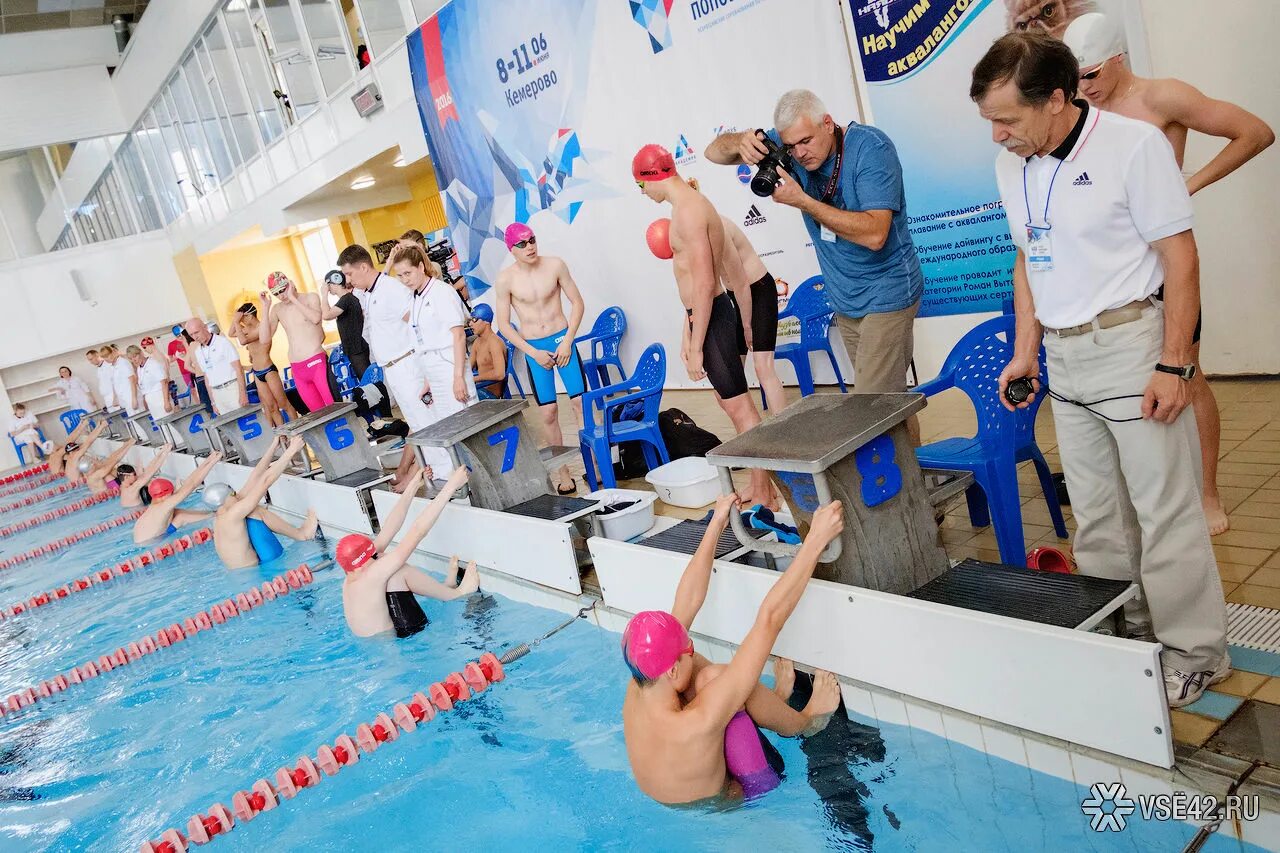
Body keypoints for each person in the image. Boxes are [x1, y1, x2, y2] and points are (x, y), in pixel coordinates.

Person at [971, 31, 1230, 706]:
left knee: (1166, 513)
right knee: (1097, 519)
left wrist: (1176, 362)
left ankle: (1195, 653)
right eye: (989, 121)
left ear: (1056, 100)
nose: (997, 135)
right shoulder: (1012, 165)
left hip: (1132, 343)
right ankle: (1127, 639)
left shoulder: (1132, 147)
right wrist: (1027, 350)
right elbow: (1029, 258)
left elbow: (1181, 259)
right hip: (1065, 356)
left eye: (1007, 119)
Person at [1062, 13, 1274, 535]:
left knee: (1187, 371)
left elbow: (1256, 131)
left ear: (1118, 58)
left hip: (1164, 260)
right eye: (1076, 78)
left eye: (1091, 74)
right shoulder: (1080, 112)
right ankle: (1149, 494)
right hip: (1114, 272)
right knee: (1133, 381)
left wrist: (1189, 185)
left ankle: (1206, 494)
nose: (1083, 87)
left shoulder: (1162, 98)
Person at [705, 90, 924, 444]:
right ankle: (913, 477)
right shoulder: (791, 142)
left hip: (889, 290)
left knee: (870, 408)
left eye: (806, 141)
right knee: (888, 400)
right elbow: (713, 152)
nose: (798, 152)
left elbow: (875, 234)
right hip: (846, 297)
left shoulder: (871, 149)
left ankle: (889, 491)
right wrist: (742, 141)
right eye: (790, 146)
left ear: (827, 124)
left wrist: (803, 201)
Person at [622, 497, 845, 805]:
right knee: (719, 677)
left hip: (680, 779)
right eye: (687, 650)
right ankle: (806, 722)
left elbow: (685, 603)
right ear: (672, 669)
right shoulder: (697, 722)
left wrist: (716, 524)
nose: (692, 648)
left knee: (711, 679)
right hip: (737, 796)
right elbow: (770, 620)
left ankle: (773, 702)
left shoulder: (640, 683)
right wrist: (815, 542)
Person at [632, 146, 777, 508]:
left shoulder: (689, 212)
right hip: (708, 319)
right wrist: (690, 331)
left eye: (640, 186)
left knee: (742, 411)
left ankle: (765, 490)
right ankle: (764, 487)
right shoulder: (690, 207)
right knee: (732, 406)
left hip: (713, 320)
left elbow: (705, 282)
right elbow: (700, 288)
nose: (644, 195)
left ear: (651, 176)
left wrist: (697, 346)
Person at [492, 223, 587, 495]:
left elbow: (577, 303)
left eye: (532, 240)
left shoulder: (555, 265)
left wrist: (568, 340)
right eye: (522, 244)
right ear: (511, 250)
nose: (530, 246)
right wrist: (532, 352)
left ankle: (593, 463)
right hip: (535, 348)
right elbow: (505, 325)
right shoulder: (505, 280)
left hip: (561, 341)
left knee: (580, 404)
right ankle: (563, 472)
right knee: (548, 412)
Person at [338, 465, 479, 638]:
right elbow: (417, 532)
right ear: (361, 565)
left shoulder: (354, 573)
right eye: (372, 557)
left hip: (390, 637)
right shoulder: (371, 575)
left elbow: (389, 528)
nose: (377, 556)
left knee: (389, 566)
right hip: (399, 644)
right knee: (397, 570)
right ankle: (456, 594)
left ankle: (445, 589)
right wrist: (450, 486)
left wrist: (413, 485)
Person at [338, 244, 437, 492]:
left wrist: (426, 366)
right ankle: (413, 474)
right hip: (392, 368)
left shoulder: (391, 289)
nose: (347, 280)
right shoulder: (370, 293)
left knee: (426, 424)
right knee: (415, 423)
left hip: (408, 365)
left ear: (363, 267)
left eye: (349, 274)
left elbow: (416, 324)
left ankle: (422, 476)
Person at [390, 242, 477, 479]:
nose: (405, 279)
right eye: (400, 276)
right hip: (434, 369)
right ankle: (461, 480)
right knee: (448, 427)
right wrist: (429, 379)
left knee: (465, 427)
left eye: (408, 273)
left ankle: (479, 481)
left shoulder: (441, 292)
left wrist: (458, 377)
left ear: (421, 267)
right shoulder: (416, 297)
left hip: (450, 364)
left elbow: (458, 335)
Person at [202, 436, 319, 570]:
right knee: (255, 511)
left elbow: (255, 478)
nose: (237, 493)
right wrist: (292, 450)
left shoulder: (222, 515)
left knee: (250, 510)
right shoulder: (233, 514)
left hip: (251, 573)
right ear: (224, 501)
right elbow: (265, 482)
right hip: (262, 571)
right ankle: (302, 534)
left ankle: (301, 534)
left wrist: (273, 446)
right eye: (233, 493)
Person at [322, 269, 398, 429]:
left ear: (332, 283)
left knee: (372, 388)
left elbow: (326, 315)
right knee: (368, 388)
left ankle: (387, 422)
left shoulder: (347, 299)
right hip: (355, 349)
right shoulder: (347, 299)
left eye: (328, 285)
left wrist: (323, 295)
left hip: (357, 349)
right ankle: (380, 423)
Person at [261, 272, 336, 414]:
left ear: (290, 284)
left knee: (334, 408)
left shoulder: (310, 297)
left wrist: (293, 299)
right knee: (317, 415)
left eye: (283, 290)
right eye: (277, 293)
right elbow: (265, 339)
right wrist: (265, 307)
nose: (282, 296)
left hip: (316, 362)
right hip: (298, 369)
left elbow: (315, 318)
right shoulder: (277, 309)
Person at [232, 303, 297, 428]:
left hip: (268, 370)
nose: (241, 321)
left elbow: (243, 341)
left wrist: (236, 321)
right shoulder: (246, 330)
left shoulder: (262, 328)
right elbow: (231, 333)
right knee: (271, 407)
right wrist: (236, 316)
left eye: (243, 318)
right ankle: (284, 436)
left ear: (250, 316)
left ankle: (297, 431)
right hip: (257, 373)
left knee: (283, 404)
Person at [133, 451, 222, 543]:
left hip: (142, 539)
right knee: (181, 517)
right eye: (172, 492)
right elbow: (192, 484)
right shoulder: (165, 505)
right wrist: (213, 461)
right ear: (166, 493)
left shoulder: (157, 502)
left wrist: (209, 459)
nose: (173, 494)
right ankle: (217, 514)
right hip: (153, 542)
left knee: (177, 514)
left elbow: (188, 483)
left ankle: (214, 514)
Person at [185, 317, 246, 416]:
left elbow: (238, 368)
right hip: (217, 393)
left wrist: (243, 394)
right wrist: (213, 402)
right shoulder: (198, 351)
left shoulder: (222, 342)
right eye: (191, 335)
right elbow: (207, 377)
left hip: (232, 388)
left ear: (205, 327)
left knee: (244, 419)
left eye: (196, 332)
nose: (195, 337)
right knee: (229, 429)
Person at [469, 303, 508, 400]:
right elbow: (468, 367)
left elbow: (500, 374)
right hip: (478, 388)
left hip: (490, 394)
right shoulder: (477, 342)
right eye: (470, 320)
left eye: (474, 320)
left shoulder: (494, 343)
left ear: (486, 322)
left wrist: (474, 379)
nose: (470, 324)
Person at [117, 444, 172, 508]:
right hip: (138, 512)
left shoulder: (122, 486)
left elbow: (147, 470)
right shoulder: (131, 489)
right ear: (126, 477)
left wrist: (160, 452)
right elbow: (152, 471)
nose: (136, 475)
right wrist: (166, 453)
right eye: (134, 474)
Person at [170, 326, 212, 410]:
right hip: (207, 375)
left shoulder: (192, 346)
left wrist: (199, 372)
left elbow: (187, 366)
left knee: (208, 407)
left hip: (200, 377)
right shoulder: (199, 344)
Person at [136, 338, 173, 426]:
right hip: (167, 386)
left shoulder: (156, 358)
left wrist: (166, 400)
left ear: (150, 345)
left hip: (165, 388)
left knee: (170, 419)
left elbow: (164, 380)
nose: (145, 350)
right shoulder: (160, 355)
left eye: (144, 347)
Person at [103, 345, 140, 416]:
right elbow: (115, 384)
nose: (106, 359)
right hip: (126, 399)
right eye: (104, 357)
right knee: (134, 422)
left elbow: (132, 380)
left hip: (131, 397)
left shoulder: (123, 362)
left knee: (140, 422)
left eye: (107, 356)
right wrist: (115, 398)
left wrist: (134, 399)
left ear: (113, 352)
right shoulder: (113, 366)